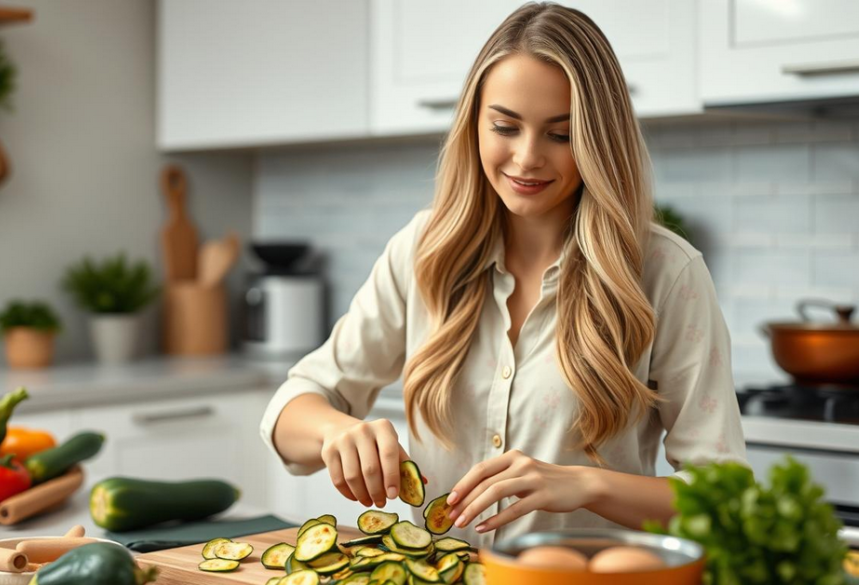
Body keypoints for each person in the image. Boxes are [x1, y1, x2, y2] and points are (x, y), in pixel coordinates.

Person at [260, 1, 746, 549]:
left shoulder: (666, 272)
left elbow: (725, 498)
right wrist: (337, 430)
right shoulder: (422, 251)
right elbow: (293, 406)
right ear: (474, 124)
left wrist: (588, 486)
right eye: (505, 127)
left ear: (599, 139)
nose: (527, 157)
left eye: (561, 134)